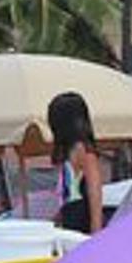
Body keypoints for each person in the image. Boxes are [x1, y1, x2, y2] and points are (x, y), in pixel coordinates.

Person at [47, 91, 103, 235]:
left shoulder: (84, 151)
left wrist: (96, 233)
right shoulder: (70, 151)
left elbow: (95, 193)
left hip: (80, 216)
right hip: (70, 214)